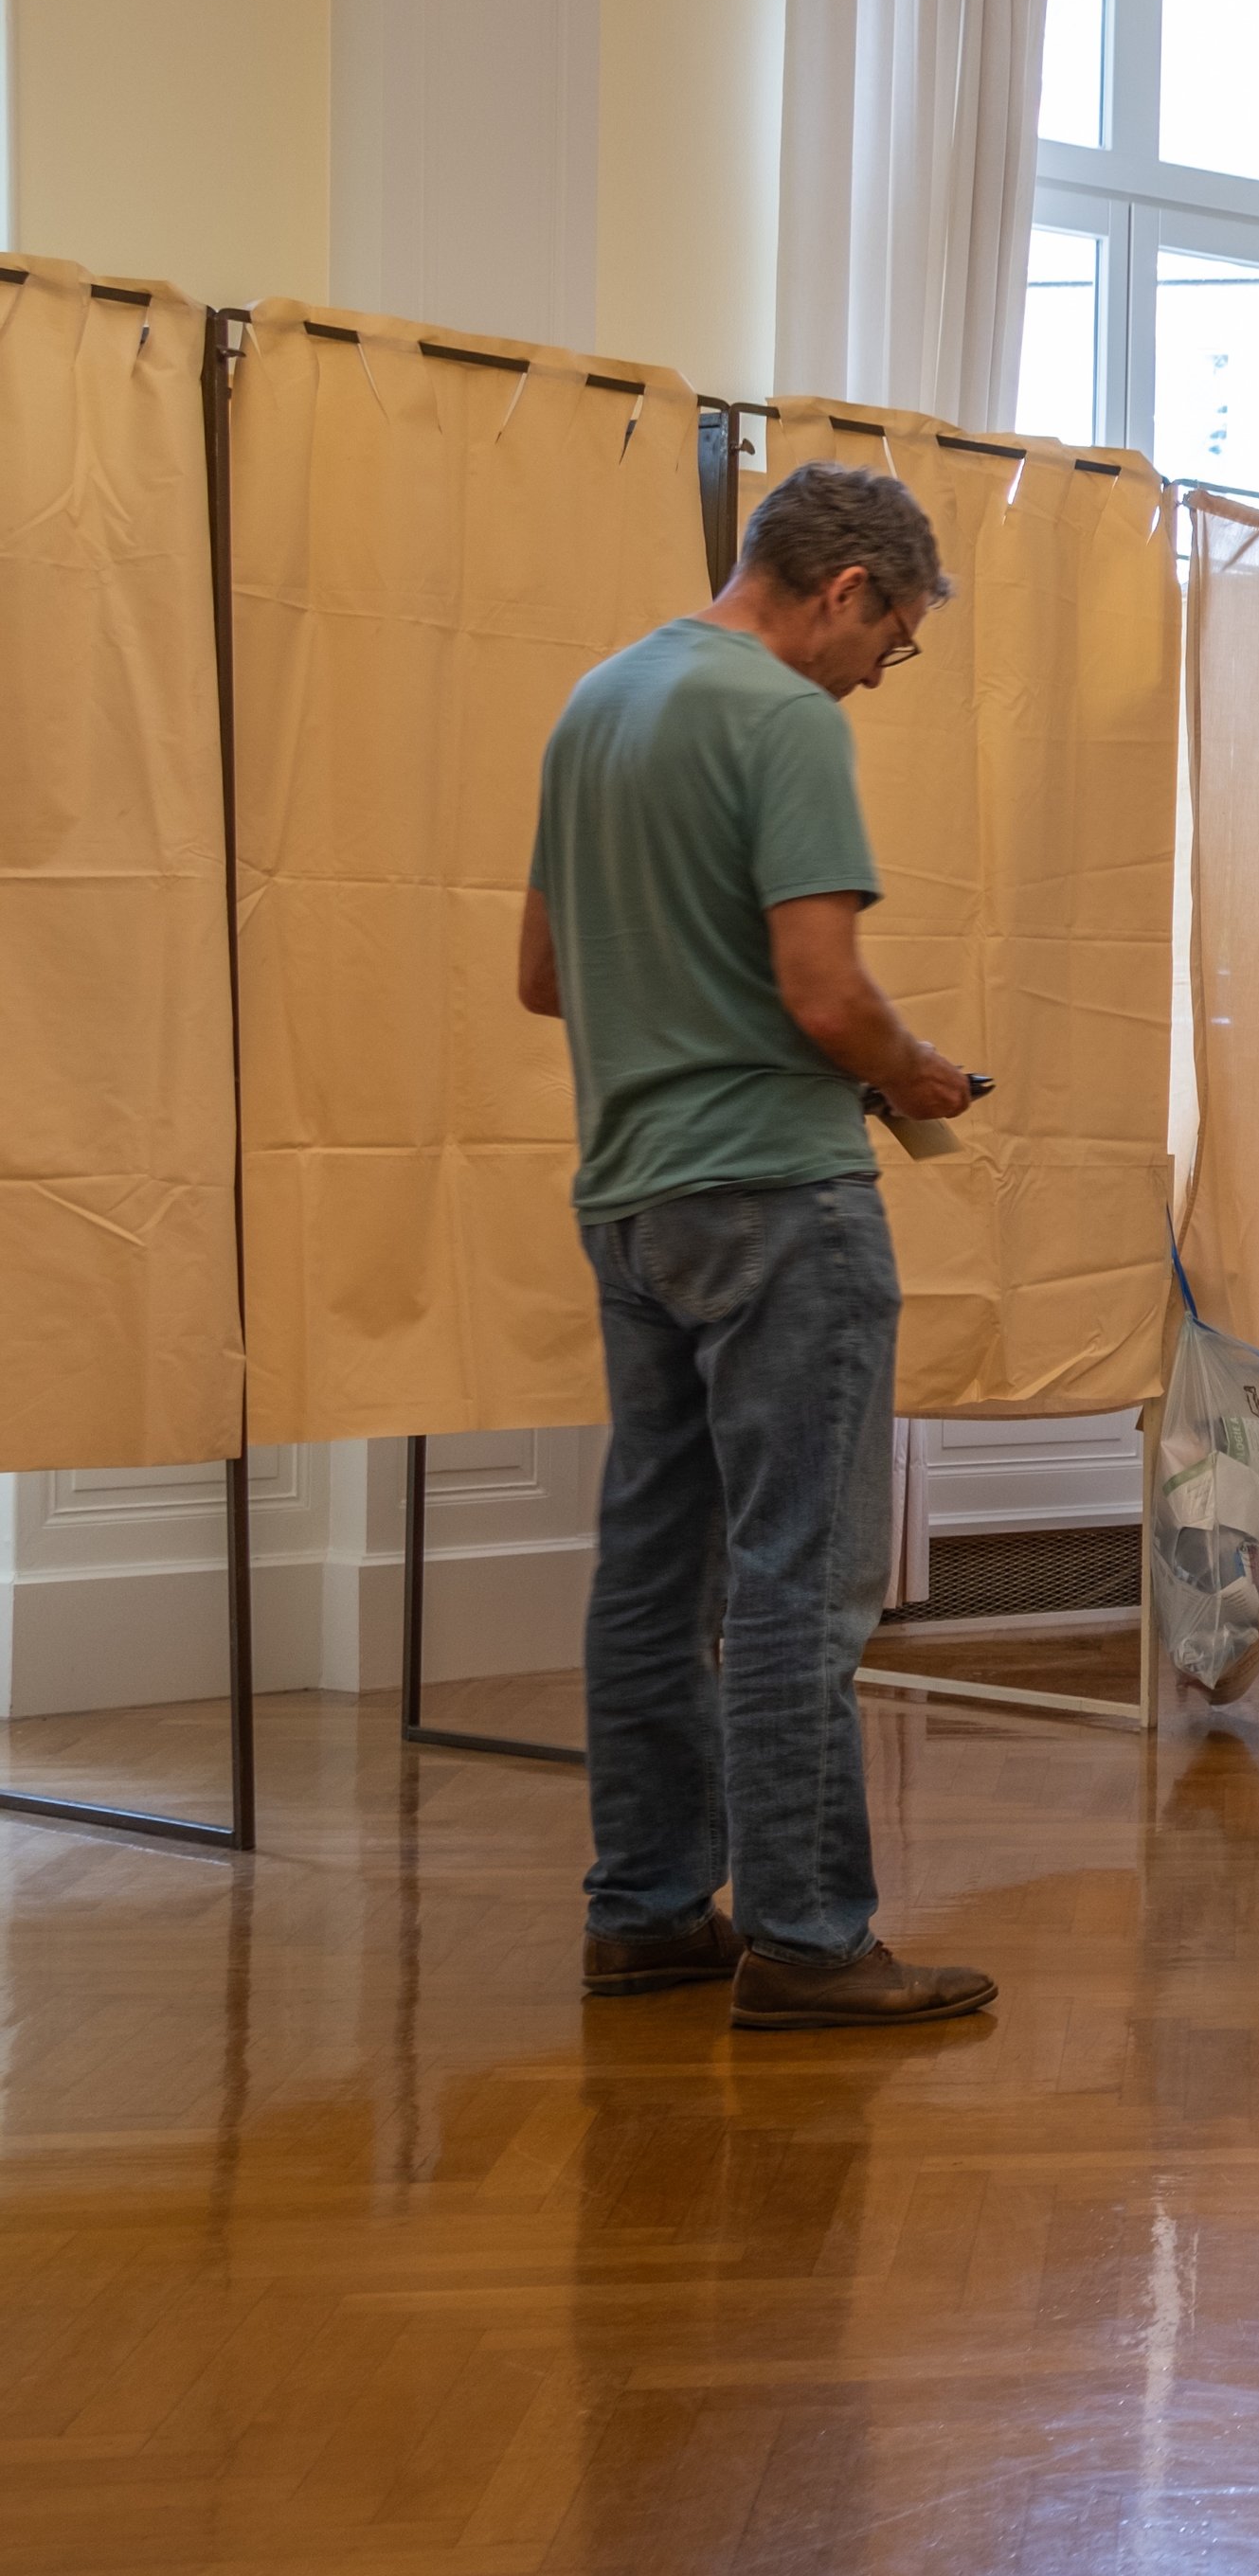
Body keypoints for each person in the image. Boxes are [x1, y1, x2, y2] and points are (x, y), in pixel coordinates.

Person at [519, 463, 994, 2030]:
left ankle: (647, 1909)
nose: (883, 672)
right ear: (846, 589)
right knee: (803, 1571)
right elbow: (824, 992)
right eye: (898, 639)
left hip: (631, 1192)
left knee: (652, 1562)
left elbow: (542, 972)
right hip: (783, 1196)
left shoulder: (599, 700)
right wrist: (913, 1072)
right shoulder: (788, 719)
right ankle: (804, 1937)